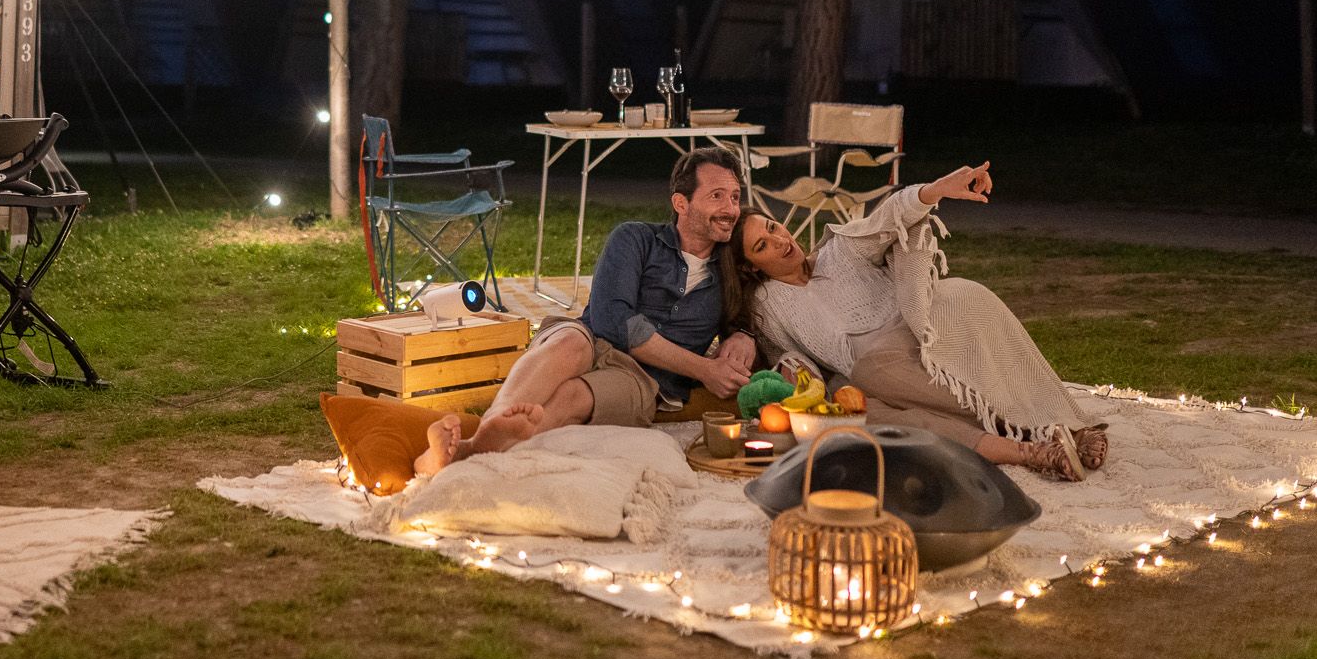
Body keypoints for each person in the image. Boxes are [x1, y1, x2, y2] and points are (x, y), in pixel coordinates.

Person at [722, 162, 1105, 482]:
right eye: (762, 246)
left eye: (772, 227)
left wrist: (936, 189)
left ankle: (1057, 426)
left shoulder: (842, 250)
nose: (780, 240)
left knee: (872, 370)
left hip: (919, 334)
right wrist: (796, 377)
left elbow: (889, 218)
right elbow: (788, 358)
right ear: (750, 266)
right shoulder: (767, 304)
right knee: (864, 414)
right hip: (873, 377)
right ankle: (1034, 451)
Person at [414, 146, 757, 472]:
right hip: (589, 335)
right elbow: (612, 320)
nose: (730, 208)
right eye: (717, 196)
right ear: (681, 203)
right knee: (570, 343)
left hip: (644, 380)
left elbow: (751, 319)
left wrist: (744, 335)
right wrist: (704, 369)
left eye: (735, 197)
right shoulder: (635, 238)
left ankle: (465, 451)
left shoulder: (729, 273)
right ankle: (497, 422)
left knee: (573, 397)